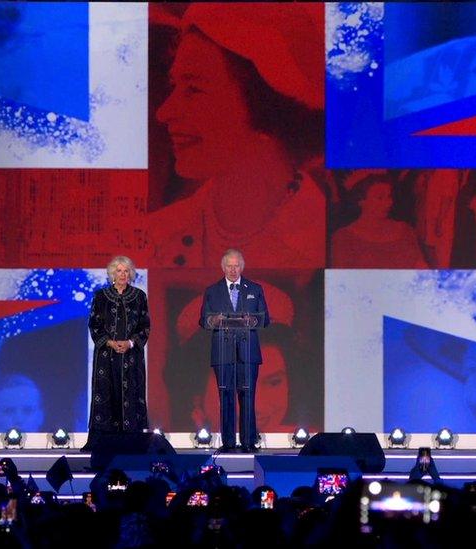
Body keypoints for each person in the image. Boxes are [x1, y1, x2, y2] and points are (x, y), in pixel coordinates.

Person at [148, 3, 327, 268]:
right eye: (176, 86)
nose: (164, 113)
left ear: (266, 104)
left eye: (194, 89)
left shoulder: (327, 243)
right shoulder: (154, 236)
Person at [199, 249, 270, 452]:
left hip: (248, 352)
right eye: (229, 266)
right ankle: (228, 443)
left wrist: (251, 320)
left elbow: (265, 319)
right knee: (226, 396)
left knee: (248, 395)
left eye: (236, 265)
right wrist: (215, 320)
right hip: (223, 353)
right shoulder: (212, 291)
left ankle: (249, 442)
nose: (233, 269)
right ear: (223, 268)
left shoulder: (255, 289)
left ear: (242, 267)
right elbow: (204, 320)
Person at [84, 256, 150, 451]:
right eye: (119, 271)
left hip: (131, 356)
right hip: (107, 356)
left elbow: (145, 326)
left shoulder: (139, 296)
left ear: (131, 274)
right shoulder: (101, 296)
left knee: (131, 393)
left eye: (126, 271)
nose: (123, 274)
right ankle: (101, 442)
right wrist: (110, 342)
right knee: (106, 394)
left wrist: (130, 343)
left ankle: (132, 441)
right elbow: (94, 325)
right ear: (112, 274)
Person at [330, 172, 426, 268]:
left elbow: (421, 269)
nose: (388, 203)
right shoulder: (343, 238)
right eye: (380, 197)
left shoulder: (406, 230)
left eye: (389, 196)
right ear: (361, 201)